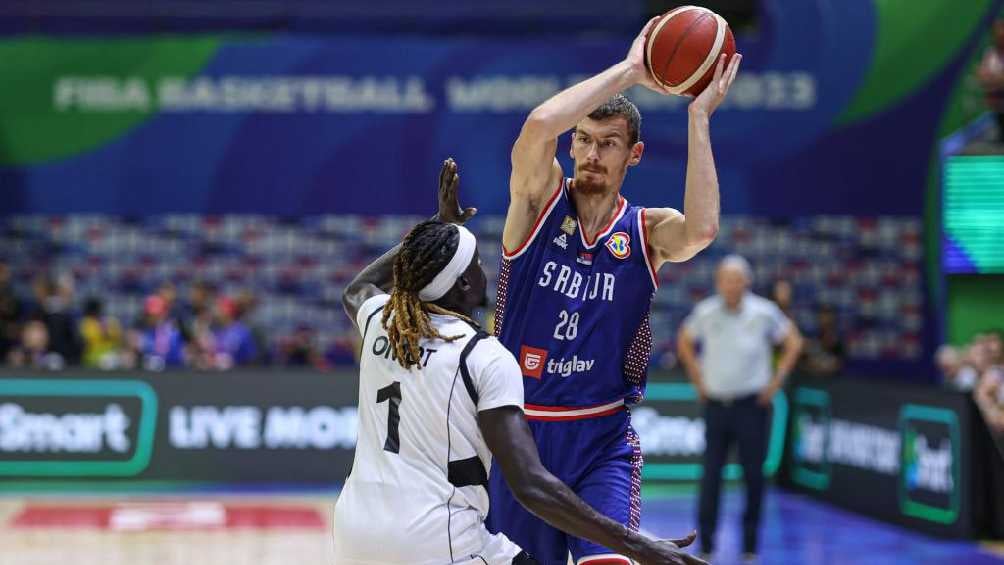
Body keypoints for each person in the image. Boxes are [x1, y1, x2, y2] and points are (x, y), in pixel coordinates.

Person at [335, 159, 705, 565]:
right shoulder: (483, 355)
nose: (484, 270)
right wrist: (638, 545)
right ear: (463, 286)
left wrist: (439, 231)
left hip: (354, 530)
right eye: (476, 265)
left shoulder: (381, 321)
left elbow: (358, 287)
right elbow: (531, 486)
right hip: (435, 536)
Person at [487, 16, 742, 565]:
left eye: (608, 144)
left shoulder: (646, 230)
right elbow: (537, 126)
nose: (591, 155)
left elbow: (700, 231)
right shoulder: (537, 206)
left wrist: (698, 117)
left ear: (634, 155)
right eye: (582, 141)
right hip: (521, 436)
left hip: (603, 438)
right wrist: (630, 71)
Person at [676, 255, 803, 562]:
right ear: (718, 282)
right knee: (710, 477)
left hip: (751, 406)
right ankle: (706, 546)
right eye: (726, 280)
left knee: (753, 478)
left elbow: (794, 342)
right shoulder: (706, 312)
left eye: (737, 279)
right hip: (717, 406)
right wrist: (697, 379)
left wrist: (776, 382)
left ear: (747, 281)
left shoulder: (764, 312)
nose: (732, 286)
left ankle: (749, 548)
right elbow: (683, 340)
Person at [797, 304, 845, 378]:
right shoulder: (811, 340)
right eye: (822, 316)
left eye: (827, 315)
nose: (824, 319)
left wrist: (820, 368)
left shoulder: (839, 342)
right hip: (810, 382)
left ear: (833, 318)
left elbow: (838, 367)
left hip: (832, 384)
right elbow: (801, 363)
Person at [977, 18, 1004, 142]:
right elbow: (982, 77)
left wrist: (996, 79)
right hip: (996, 101)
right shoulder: (990, 54)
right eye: (997, 33)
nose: (1000, 36)